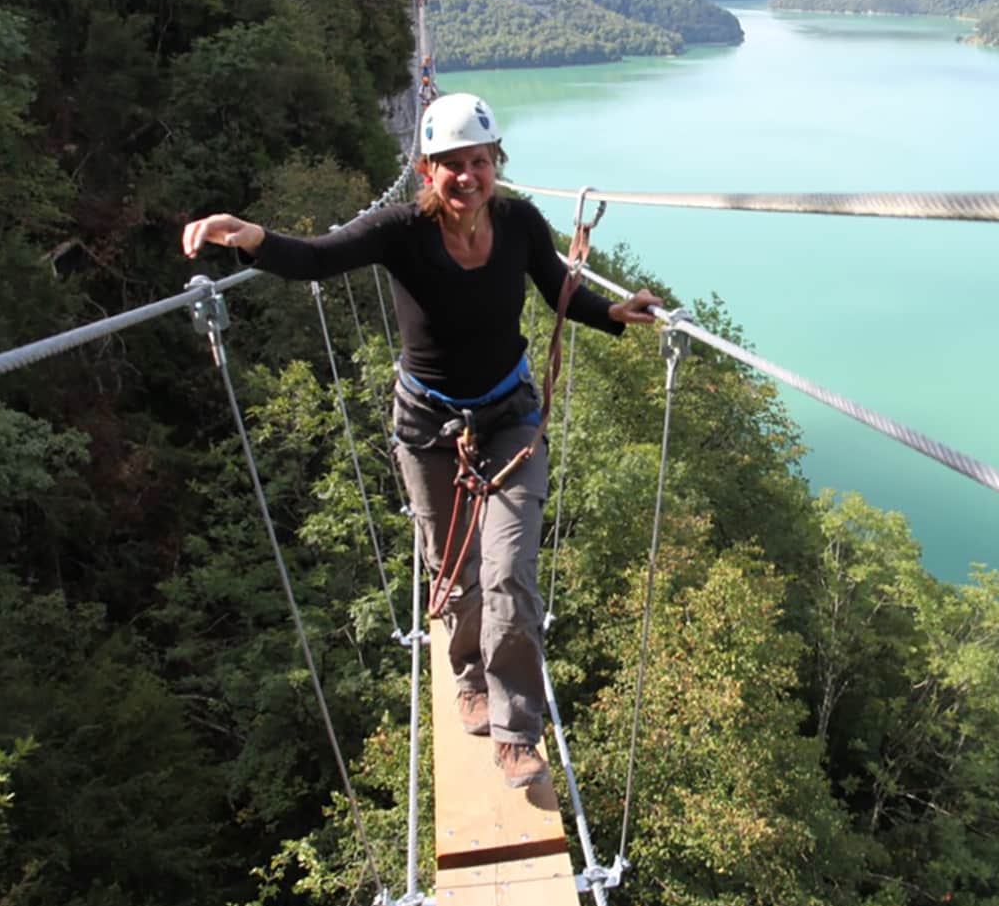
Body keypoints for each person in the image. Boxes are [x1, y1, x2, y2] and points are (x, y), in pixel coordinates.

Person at [181, 94, 662, 789]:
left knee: (509, 572)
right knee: (454, 571)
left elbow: (557, 288)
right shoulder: (400, 230)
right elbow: (318, 259)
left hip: (509, 417)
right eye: (451, 165)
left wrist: (612, 311)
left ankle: (515, 730)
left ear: (496, 163)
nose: (468, 176)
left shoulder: (519, 221)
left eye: (480, 161)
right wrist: (250, 236)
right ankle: (467, 676)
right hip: (428, 426)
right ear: (425, 169)